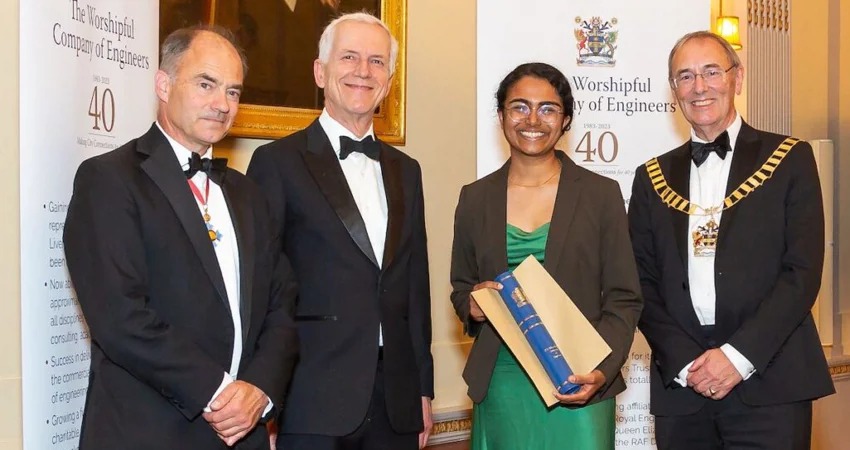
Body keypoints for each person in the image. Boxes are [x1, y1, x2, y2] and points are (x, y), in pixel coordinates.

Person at [63, 25, 298, 450]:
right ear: (164, 84)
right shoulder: (109, 180)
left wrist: (260, 389)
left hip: (243, 432)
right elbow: (120, 318)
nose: (221, 104)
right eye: (206, 84)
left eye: (232, 91)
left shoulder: (248, 193)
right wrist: (220, 392)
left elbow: (282, 305)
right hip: (148, 432)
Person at [628, 31, 834, 449]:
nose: (699, 87)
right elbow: (639, 282)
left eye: (711, 72)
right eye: (685, 77)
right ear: (674, 91)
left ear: (737, 79)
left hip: (771, 381)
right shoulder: (650, 177)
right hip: (683, 388)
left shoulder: (790, 158)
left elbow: (802, 274)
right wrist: (688, 364)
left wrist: (736, 358)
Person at [246, 12, 434, 450]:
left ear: (389, 81)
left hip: (396, 400)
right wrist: (267, 393)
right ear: (320, 71)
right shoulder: (277, 164)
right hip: (310, 396)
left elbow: (415, 285)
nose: (363, 72)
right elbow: (262, 287)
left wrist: (422, 387)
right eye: (348, 57)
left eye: (376, 61)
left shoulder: (407, 171)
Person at [450, 62, 643, 450]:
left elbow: (624, 297)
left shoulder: (600, 195)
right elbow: (460, 286)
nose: (532, 119)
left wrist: (600, 370)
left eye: (548, 108)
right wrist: (472, 305)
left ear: (566, 119)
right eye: (519, 107)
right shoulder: (475, 198)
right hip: (501, 380)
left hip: (578, 379)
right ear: (502, 115)